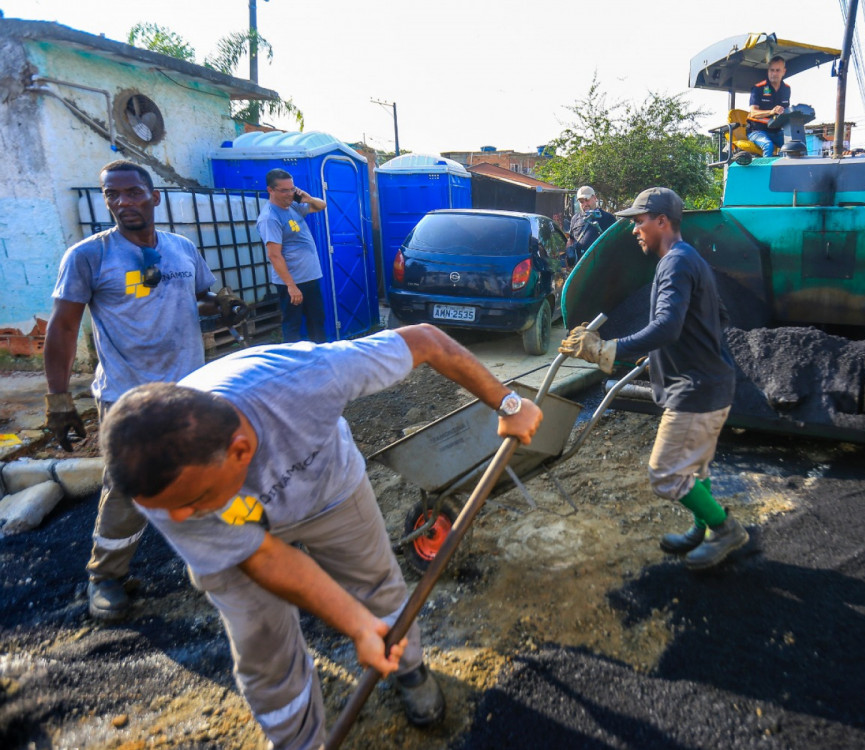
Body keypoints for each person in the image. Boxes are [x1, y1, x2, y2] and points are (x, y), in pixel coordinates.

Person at [99, 324, 544, 749]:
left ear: (239, 451)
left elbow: (425, 341)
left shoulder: (304, 379)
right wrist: (355, 626)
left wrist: (508, 404)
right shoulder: (161, 486)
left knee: (377, 585)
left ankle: (409, 670)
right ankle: (296, 740)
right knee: (261, 643)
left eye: (195, 501)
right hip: (245, 529)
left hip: (328, 491)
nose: (180, 517)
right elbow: (263, 557)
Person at [43, 160, 246, 623]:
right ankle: (106, 577)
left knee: (211, 470)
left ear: (154, 197)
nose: (122, 202)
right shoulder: (88, 256)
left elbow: (201, 295)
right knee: (127, 487)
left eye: (133, 192)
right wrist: (58, 398)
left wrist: (226, 304)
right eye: (112, 195)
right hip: (127, 396)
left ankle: (229, 557)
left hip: (190, 387)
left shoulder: (181, 249)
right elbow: (63, 326)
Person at [558, 187, 747, 570]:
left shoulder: (675, 264)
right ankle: (702, 528)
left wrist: (605, 349)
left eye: (639, 221)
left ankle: (725, 529)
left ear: (662, 221)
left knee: (665, 473)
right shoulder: (687, 259)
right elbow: (715, 317)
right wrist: (661, 353)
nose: (634, 229)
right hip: (708, 383)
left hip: (695, 391)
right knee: (695, 469)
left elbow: (666, 325)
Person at [257, 168, 328, 343]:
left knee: (317, 322)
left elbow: (321, 206)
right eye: (284, 190)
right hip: (293, 282)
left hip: (309, 277)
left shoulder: (293, 206)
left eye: (292, 189)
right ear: (270, 190)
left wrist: (308, 198)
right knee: (292, 325)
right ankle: (293, 363)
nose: (289, 194)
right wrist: (291, 286)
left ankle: (321, 359)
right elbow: (274, 255)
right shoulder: (270, 218)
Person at [746, 55, 791, 157]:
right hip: (756, 131)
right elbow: (753, 112)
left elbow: (786, 110)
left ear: (784, 71)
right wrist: (771, 112)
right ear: (768, 71)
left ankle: (782, 169)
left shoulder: (786, 89)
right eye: (772, 70)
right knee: (768, 145)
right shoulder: (758, 88)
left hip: (776, 131)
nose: (774, 73)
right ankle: (767, 172)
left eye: (777, 70)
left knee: (793, 145)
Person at [566, 186, 616, 267]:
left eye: (587, 200)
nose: (585, 204)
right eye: (581, 202)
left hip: (601, 267)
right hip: (580, 268)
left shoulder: (608, 218)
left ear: (595, 198)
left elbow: (615, 243)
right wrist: (569, 254)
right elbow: (571, 240)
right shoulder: (575, 218)